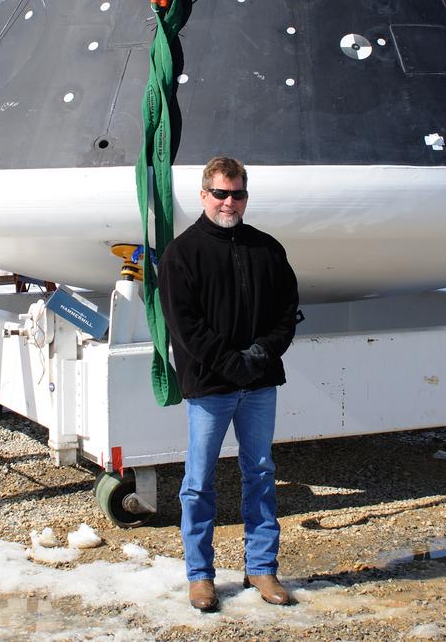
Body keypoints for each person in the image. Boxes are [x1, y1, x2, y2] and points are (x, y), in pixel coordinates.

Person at [157, 156, 300, 612]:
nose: (229, 202)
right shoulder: (183, 254)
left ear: (245, 197)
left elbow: (287, 312)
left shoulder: (267, 249)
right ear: (203, 195)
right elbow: (184, 326)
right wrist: (231, 365)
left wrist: (259, 355)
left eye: (237, 194)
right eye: (220, 193)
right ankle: (200, 577)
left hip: (259, 384)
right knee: (198, 483)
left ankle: (262, 568)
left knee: (260, 473)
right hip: (210, 387)